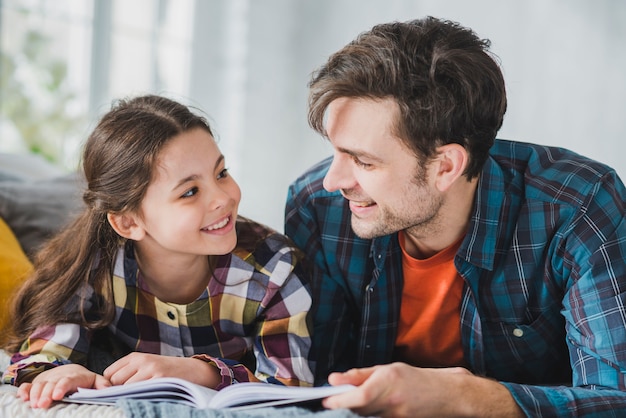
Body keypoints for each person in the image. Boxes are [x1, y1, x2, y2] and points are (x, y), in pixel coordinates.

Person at [285, 16, 626, 417]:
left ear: (446, 166)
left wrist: (466, 397)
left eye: (363, 161)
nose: (332, 181)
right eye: (336, 150)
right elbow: (307, 382)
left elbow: (616, 399)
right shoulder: (317, 208)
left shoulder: (579, 206)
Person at [2, 94, 313, 409]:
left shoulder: (275, 267)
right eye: (190, 192)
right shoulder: (92, 262)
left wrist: (200, 371)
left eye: (221, 173)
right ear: (128, 222)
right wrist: (60, 371)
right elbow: (41, 357)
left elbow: (289, 387)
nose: (223, 198)